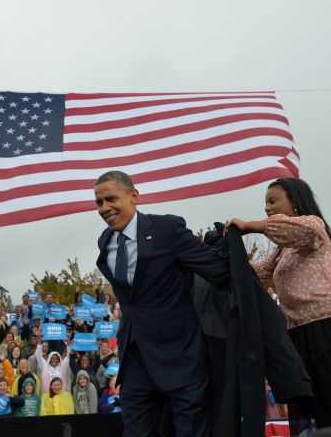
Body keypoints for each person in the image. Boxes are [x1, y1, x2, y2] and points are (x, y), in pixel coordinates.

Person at [226, 177, 331, 431]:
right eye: (265, 204)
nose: (267, 208)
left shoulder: (314, 226)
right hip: (299, 334)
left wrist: (249, 226)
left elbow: (294, 229)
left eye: (273, 200)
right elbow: (255, 272)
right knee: (318, 412)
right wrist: (222, 252)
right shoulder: (281, 251)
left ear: (295, 202)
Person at [94, 170, 230, 437]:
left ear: (134, 196)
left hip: (182, 357)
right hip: (136, 359)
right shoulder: (105, 241)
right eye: (99, 202)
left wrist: (230, 246)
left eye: (111, 199)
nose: (104, 208)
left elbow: (219, 271)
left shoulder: (167, 229)